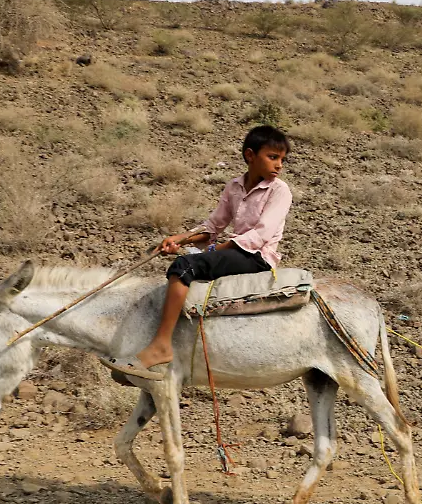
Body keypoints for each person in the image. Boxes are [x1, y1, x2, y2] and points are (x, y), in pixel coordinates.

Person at [102, 125, 293, 380]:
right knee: (187, 261)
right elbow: (213, 227)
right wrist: (179, 239)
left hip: (257, 258)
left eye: (282, 159)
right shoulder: (234, 186)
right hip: (236, 250)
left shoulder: (280, 190)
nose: (279, 165)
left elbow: (260, 235)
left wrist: (213, 250)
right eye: (273, 157)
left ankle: (161, 347)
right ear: (250, 155)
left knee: (185, 267)